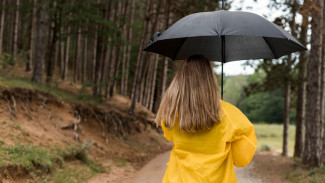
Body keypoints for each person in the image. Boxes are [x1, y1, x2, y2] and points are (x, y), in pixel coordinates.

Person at [154, 54, 257, 183]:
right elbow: (241, 159)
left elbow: (169, 135)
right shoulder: (228, 114)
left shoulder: (171, 112)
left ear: (180, 79)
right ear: (210, 79)